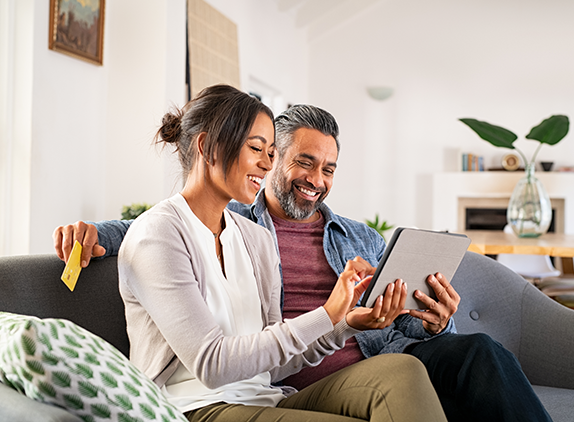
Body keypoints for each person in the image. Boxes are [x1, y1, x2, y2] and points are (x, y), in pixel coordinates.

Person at [54, 102, 552, 422]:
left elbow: (381, 325)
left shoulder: (271, 238)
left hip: (335, 366)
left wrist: (421, 322)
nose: (315, 177)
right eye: (297, 160)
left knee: (459, 356)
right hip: (222, 395)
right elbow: (161, 231)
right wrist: (96, 233)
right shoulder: (194, 227)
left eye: (328, 168)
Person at [96, 84, 447, 422]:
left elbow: (276, 365)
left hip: (266, 397)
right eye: (256, 148)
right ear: (208, 147)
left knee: (402, 371)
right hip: (194, 407)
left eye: (270, 153)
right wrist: (326, 313)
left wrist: (345, 324)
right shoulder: (157, 234)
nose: (266, 165)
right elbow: (212, 364)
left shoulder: (254, 237)